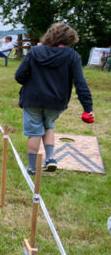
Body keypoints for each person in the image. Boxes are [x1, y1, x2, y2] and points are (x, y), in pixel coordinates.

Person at [15, 22, 94, 175]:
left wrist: (31, 81)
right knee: (48, 125)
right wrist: (88, 108)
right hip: (57, 101)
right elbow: (80, 83)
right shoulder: (73, 56)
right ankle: (50, 158)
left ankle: (32, 167)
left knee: (34, 132)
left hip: (33, 99)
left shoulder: (34, 52)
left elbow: (19, 76)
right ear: (70, 38)